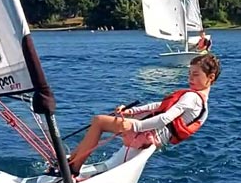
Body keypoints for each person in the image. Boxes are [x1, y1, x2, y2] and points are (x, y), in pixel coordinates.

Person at [59, 53, 221, 176]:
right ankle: (72, 161)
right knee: (104, 133)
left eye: (196, 75)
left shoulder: (192, 97)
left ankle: (74, 167)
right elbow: (159, 106)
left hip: (146, 131)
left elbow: (165, 118)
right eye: (189, 74)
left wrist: (136, 125)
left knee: (99, 121)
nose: (190, 78)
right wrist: (131, 111)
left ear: (210, 77)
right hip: (151, 137)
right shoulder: (202, 104)